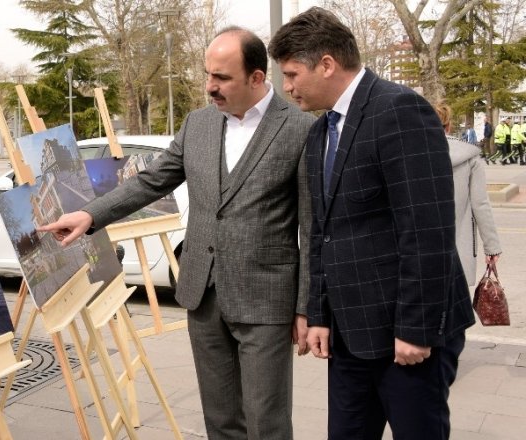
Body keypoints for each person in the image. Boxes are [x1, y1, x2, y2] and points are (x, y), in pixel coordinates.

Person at [40, 26, 315, 439]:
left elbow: (313, 228)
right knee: (220, 420)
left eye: (221, 78)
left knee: (267, 423)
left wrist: (307, 306)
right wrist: (90, 216)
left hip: (266, 300)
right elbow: (150, 182)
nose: (210, 87)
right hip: (202, 293)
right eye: (208, 75)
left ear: (257, 78)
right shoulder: (198, 125)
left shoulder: (301, 130)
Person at [268, 7, 474, 439]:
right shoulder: (321, 132)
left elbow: (427, 231)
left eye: (290, 75)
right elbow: (322, 233)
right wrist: (319, 314)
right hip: (348, 335)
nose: (286, 89)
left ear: (326, 64)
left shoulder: (400, 111)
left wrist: (415, 330)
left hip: (408, 338)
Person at [434, 103, 502, 285]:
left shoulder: (412, 153)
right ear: (449, 126)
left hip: (418, 251)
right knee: (456, 306)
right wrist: (492, 247)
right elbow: (480, 204)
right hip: (459, 247)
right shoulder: (469, 156)